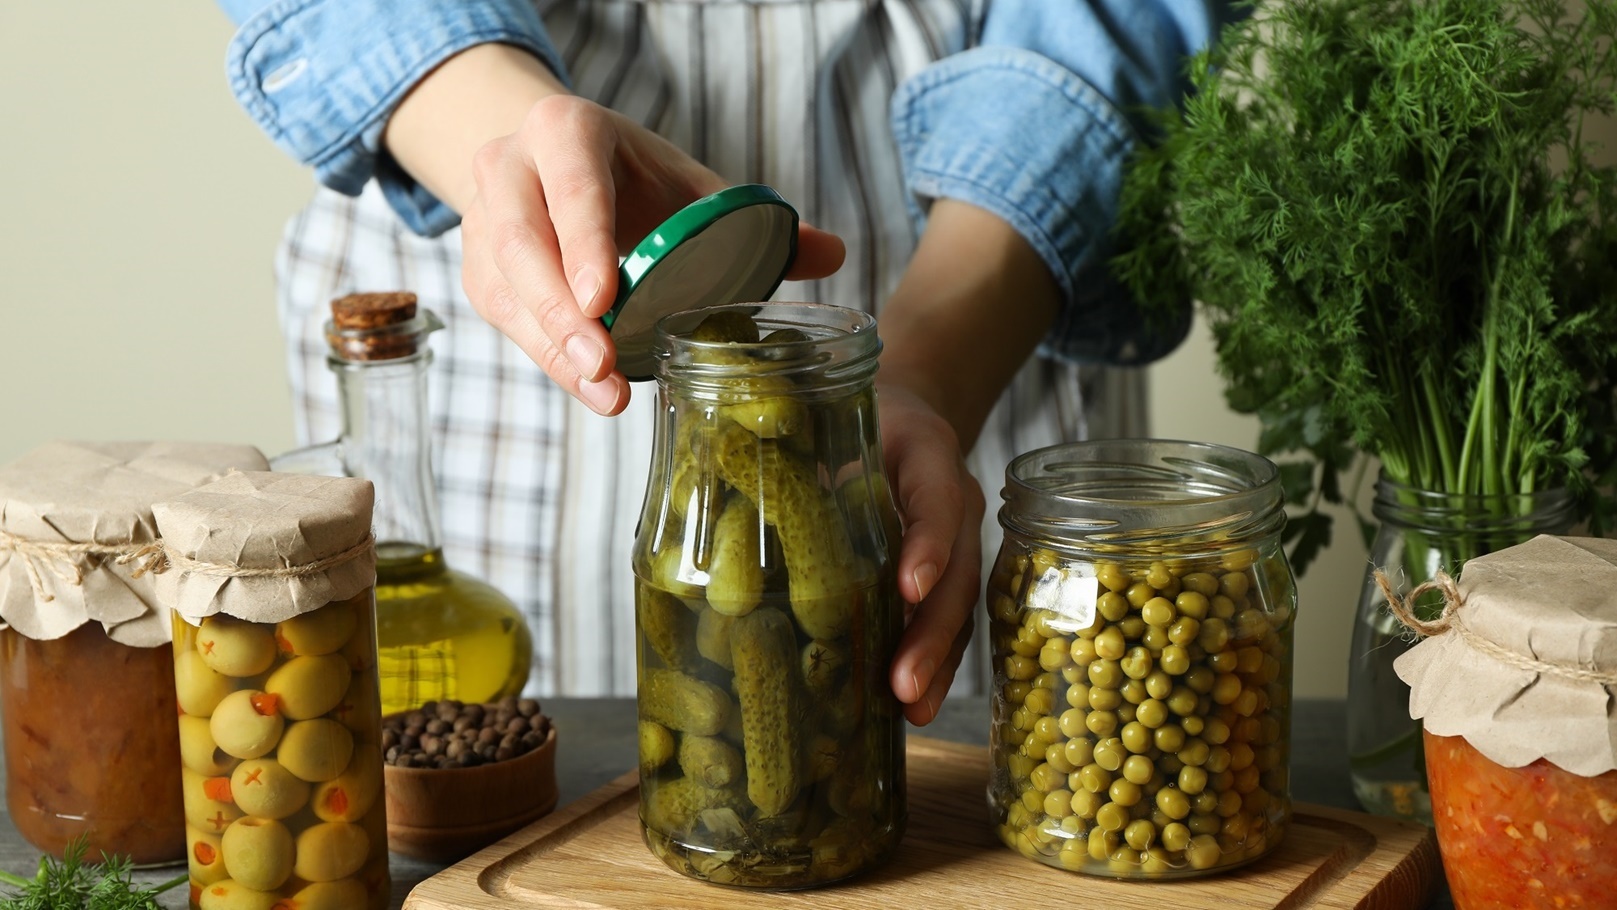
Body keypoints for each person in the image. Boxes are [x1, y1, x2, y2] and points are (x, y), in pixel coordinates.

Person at [213, 0, 1233, 723]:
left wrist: (922, 377)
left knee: (917, 735)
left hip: (976, 287)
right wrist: (503, 143)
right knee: (484, 767)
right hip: (468, 236)